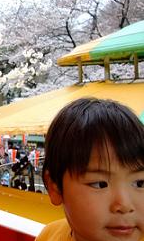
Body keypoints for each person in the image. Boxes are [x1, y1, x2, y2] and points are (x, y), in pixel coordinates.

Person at [36, 98, 144, 241]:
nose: (124, 205)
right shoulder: (50, 235)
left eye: (140, 183)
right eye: (100, 184)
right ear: (54, 187)